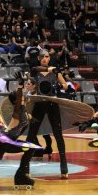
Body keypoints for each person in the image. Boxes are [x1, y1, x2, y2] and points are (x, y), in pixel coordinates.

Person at [16, 49, 69, 180]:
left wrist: (60, 86)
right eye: (43, 57)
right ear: (39, 59)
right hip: (39, 104)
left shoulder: (55, 71)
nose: (45, 58)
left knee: (58, 134)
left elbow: (65, 85)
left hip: (52, 103)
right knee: (31, 135)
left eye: (47, 56)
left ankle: (64, 166)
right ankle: (25, 168)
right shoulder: (35, 70)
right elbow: (32, 79)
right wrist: (51, 70)